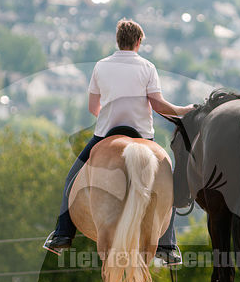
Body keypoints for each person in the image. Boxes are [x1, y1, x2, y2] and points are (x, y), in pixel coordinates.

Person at [44, 19, 194, 265]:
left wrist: (109, 114)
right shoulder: (147, 67)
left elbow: (93, 107)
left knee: (71, 179)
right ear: (138, 42)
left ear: (118, 41)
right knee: (169, 182)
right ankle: (167, 245)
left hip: (106, 134)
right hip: (143, 136)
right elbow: (157, 105)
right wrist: (182, 110)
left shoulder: (101, 66)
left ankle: (61, 234)